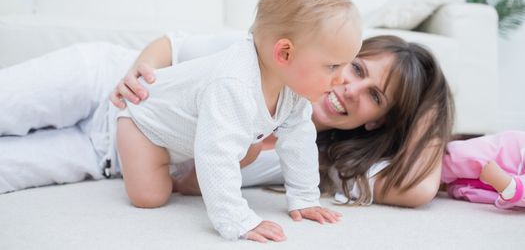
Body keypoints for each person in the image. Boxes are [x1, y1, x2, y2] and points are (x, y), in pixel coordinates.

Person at [112, 0, 361, 241]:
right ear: (285, 53)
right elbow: (216, 152)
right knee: (151, 196)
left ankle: (186, 181)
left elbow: (298, 143)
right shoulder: (233, 82)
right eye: (333, 66)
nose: (340, 78)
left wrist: (304, 197)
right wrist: (237, 220)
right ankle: (168, 173)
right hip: (145, 123)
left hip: (189, 137)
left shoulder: (293, 91)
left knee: (249, 149)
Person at [112, 33, 453, 208]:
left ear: (377, 122)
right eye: (357, 68)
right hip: (106, 85)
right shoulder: (257, 59)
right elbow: (171, 44)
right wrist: (133, 78)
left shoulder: (313, 161)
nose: (352, 90)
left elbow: (416, 189)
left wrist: (431, 104)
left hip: (110, 157)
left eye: (375, 96)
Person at [442, 130, 525, 210]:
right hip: (511, 153)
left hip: (496, 189)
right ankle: (436, 163)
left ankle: (441, 178)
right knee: (464, 156)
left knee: (457, 186)